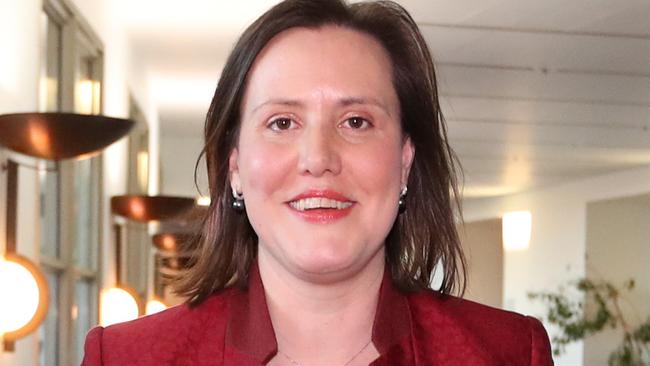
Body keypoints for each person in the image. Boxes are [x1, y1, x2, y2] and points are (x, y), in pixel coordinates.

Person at [82, 0, 553, 365]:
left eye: (356, 122)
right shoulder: (126, 357)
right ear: (236, 167)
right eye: (283, 123)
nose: (319, 159)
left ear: (405, 161)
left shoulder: (508, 353)